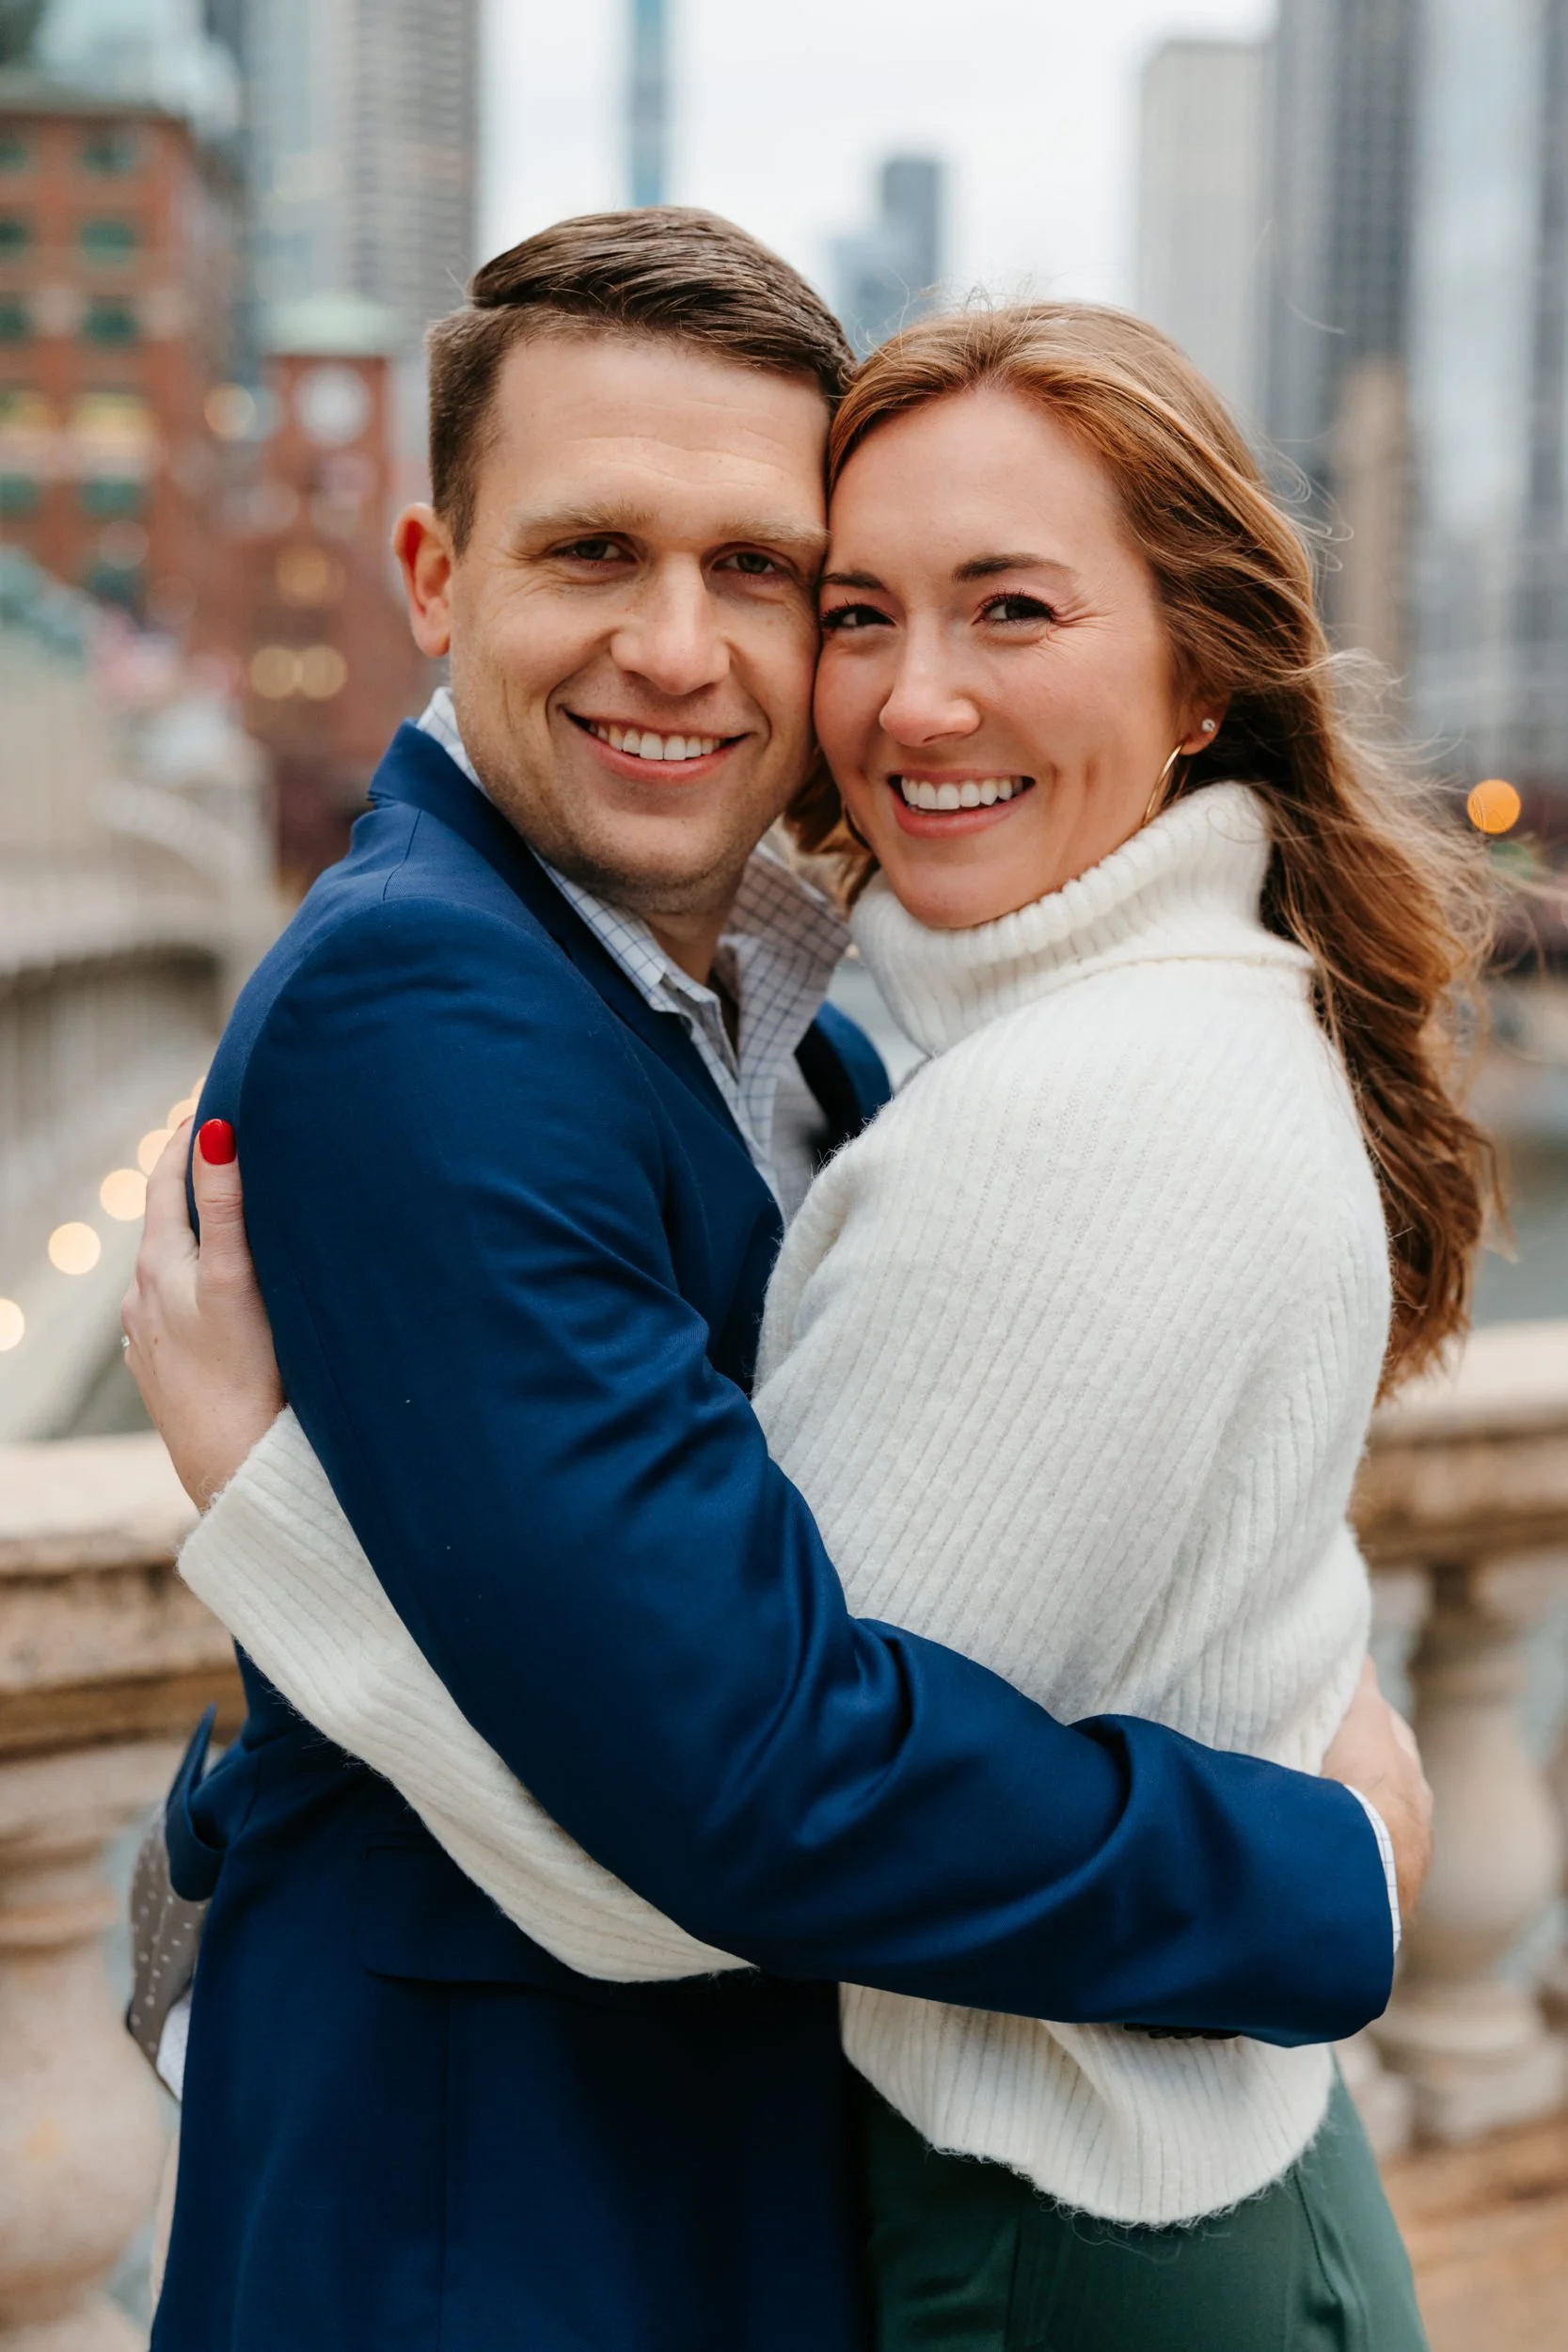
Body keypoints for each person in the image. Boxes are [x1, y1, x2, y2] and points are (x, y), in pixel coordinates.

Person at [123, 215, 1434, 2352]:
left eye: (758, 572)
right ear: (435, 576)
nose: (681, 646)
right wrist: (1312, 1875)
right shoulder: (425, 1011)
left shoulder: (783, 1006)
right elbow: (752, 1781)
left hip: (710, 2182)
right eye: (590, 554)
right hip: (498, 2225)